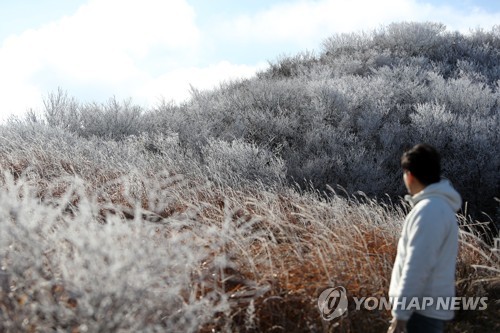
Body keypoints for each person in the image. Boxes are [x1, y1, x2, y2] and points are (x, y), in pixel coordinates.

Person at [387, 144, 462, 333]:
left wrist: (400, 314)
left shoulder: (429, 210)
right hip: (426, 310)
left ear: (409, 174)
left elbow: (417, 265)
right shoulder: (440, 207)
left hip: (419, 313)